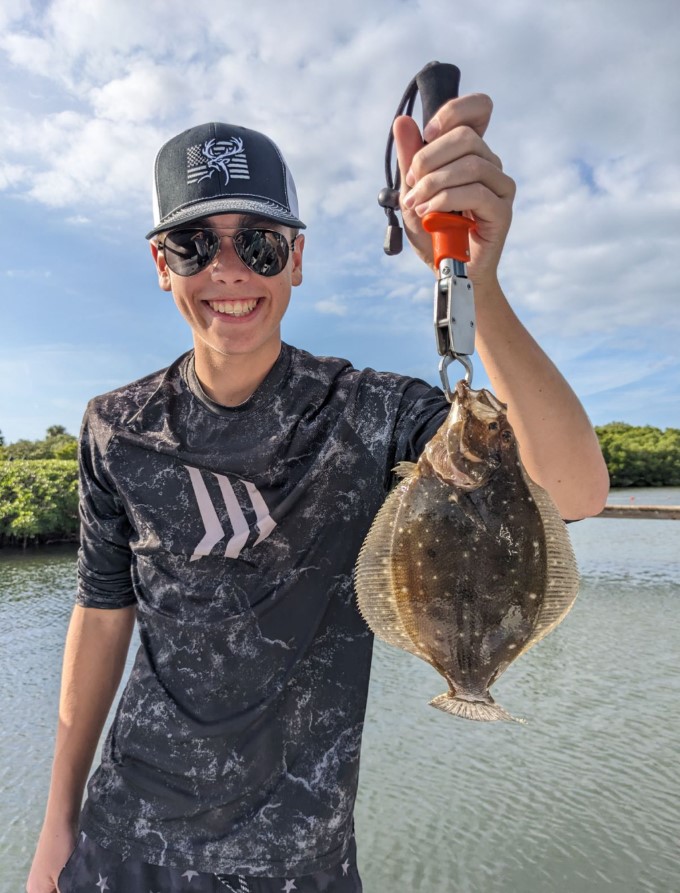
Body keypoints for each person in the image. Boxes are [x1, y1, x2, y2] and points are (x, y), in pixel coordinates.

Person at [26, 94, 609, 893]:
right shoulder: (113, 429)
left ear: (297, 259)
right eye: (196, 243)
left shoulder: (370, 412)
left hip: (301, 859)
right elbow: (100, 613)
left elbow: (575, 487)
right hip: (125, 842)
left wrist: (477, 281)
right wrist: (57, 822)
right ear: (163, 265)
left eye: (259, 244)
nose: (228, 269)